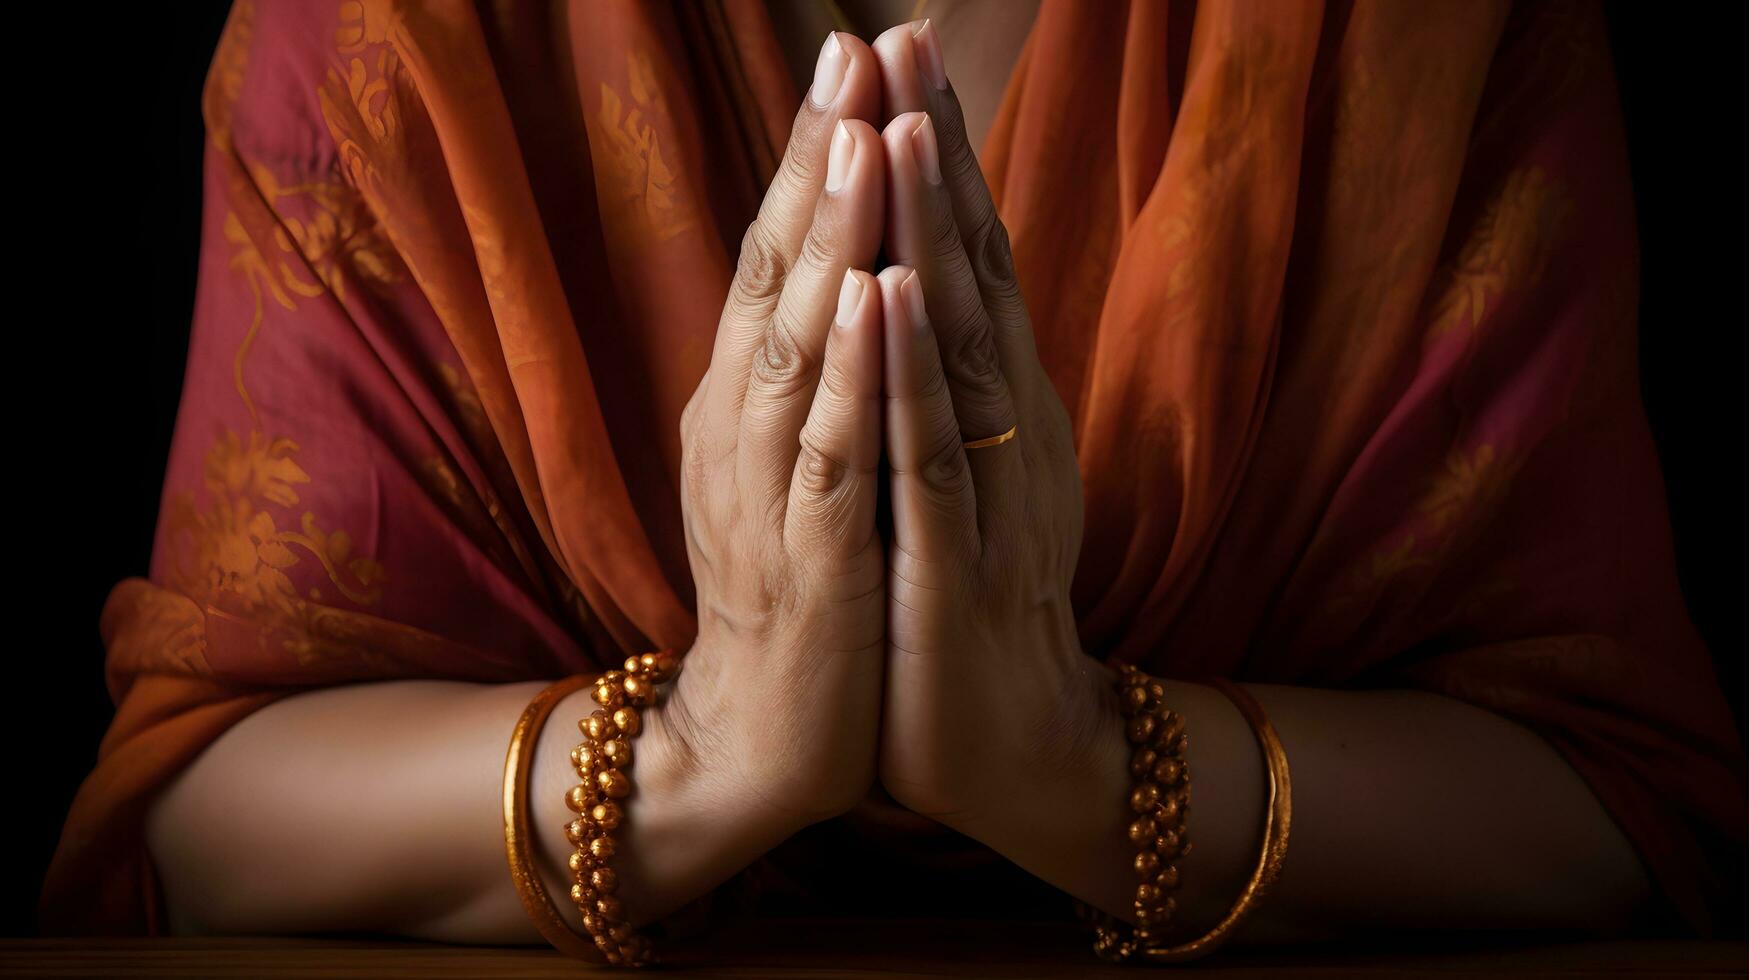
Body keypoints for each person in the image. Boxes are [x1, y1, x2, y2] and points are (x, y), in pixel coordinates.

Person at [44, 0, 1745, 956]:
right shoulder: (385, 40)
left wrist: (1076, 768)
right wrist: (704, 758)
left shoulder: (1412, 41)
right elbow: (196, 828)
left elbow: (1614, 816)